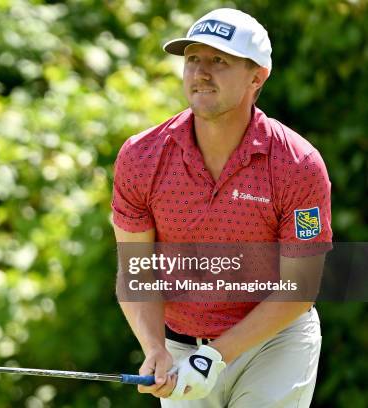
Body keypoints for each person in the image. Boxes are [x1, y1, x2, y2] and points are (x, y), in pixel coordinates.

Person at [111, 8, 332, 407]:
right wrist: (154, 348)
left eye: (219, 60)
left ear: (257, 76)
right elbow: (136, 270)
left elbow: (300, 288)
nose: (200, 72)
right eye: (193, 59)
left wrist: (216, 354)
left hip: (274, 341)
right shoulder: (141, 156)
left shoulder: (297, 165)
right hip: (181, 346)